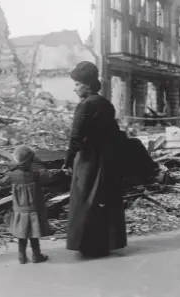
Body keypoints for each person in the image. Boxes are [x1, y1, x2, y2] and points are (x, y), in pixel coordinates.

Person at [62, 61, 127, 258]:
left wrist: (67, 160)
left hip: (88, 160)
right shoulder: (105, 104)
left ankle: (86, 245)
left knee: (85, 200)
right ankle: (104, 243)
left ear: (87, 85)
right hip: (106, 158)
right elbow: (115, 133)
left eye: (77, 84)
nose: (74, 89)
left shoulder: (85, 106)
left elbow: (76, 137)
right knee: (103, 199)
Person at [8, 145, 55, 264]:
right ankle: (36, 255)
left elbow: (1, 180)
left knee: (22, 234)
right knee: (34, 234)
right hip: (33, 209)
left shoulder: (12, 175)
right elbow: (49, 176)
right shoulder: (36, 174)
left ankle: (21, 256)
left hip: (19, 210)